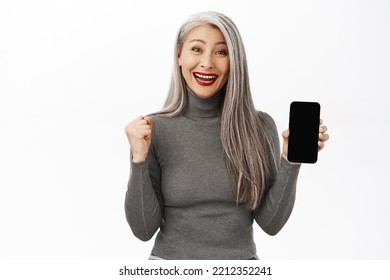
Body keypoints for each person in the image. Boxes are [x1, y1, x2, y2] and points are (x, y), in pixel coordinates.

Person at [123, 11, 329, 260]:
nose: (207, 63)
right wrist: (138, 160)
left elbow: (271, 224)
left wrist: (290, 160)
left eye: (221, 52)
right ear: (179, 56)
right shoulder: (153, 129)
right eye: (197, 49)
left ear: (234, 62)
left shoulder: (258, 126)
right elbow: (143, 230)